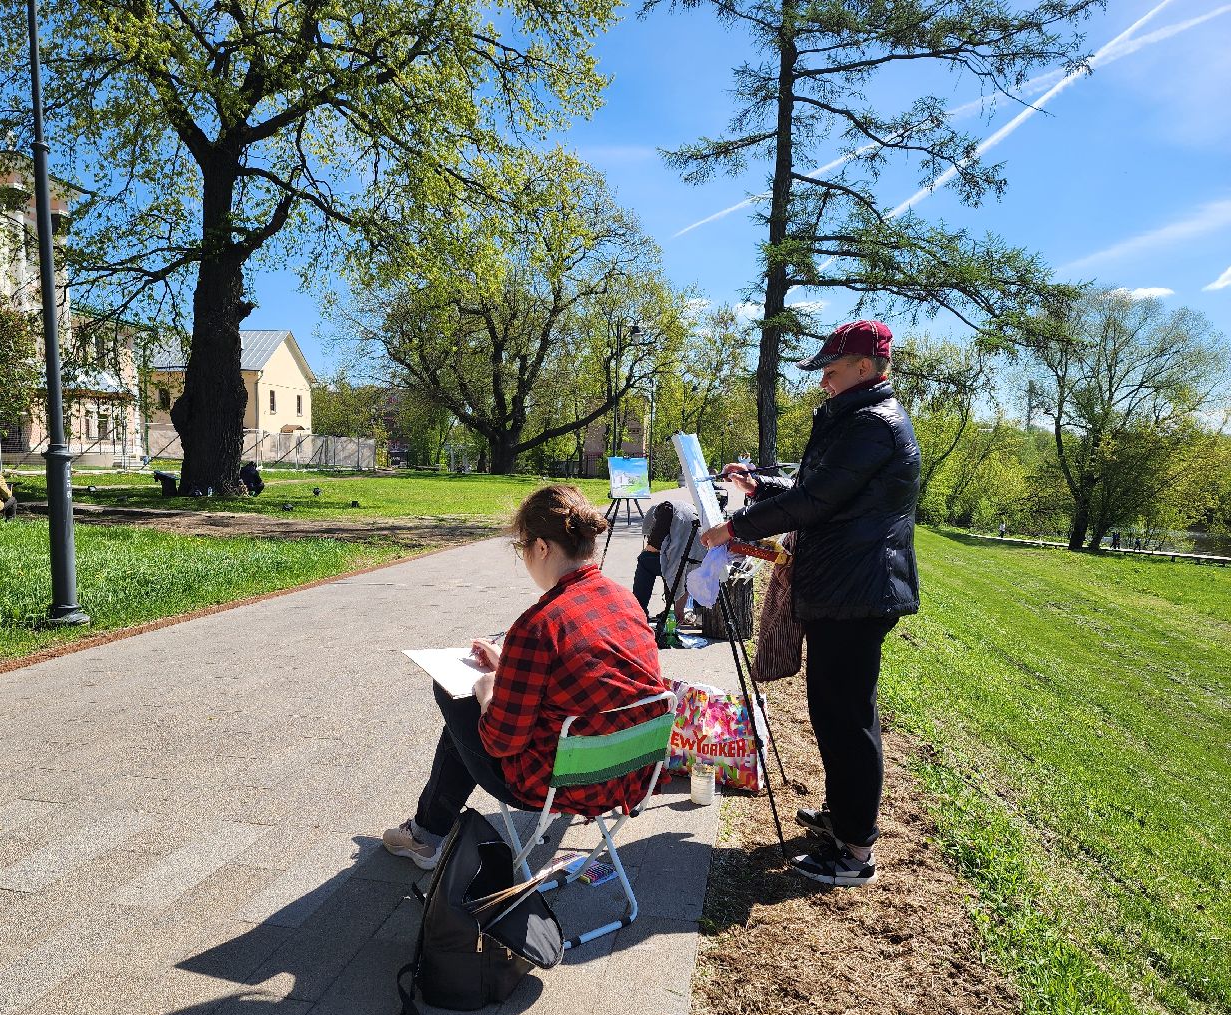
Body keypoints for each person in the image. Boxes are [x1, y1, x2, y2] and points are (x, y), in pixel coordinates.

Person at [699, 319, 920, 887]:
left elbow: (818, 500)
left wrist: (735, 526)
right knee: (836, 711)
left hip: (857, 592)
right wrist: (759, 487)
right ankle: (844, 817)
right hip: (845, 588)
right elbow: (815, 490)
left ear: (866, 369)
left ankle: (854, 852)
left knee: (846, 718)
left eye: (831, 369)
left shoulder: (872, 424)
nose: (822, 380)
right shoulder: (857, 419)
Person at [383, 484, 666, 869]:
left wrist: (487, 692)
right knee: (463, 720)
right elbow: (588, 672)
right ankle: (424, 833)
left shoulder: (539, 625)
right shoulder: (623, 598)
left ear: (543, 547)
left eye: (522, 548)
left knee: (455, 698)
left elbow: (500, 742)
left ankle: (425, 836)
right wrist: (509, 666)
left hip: (557, 783)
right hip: (631, 772)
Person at [632, 499, 706, 625]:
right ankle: (671, 611)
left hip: (684, 562)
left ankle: (638, 612)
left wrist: (645, 551)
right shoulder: (687, 507)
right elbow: (685, 575)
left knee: (645, 561)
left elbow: (654, 546)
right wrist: (679, 608)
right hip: (699, 561)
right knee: (667, 559)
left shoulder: (665, 509)